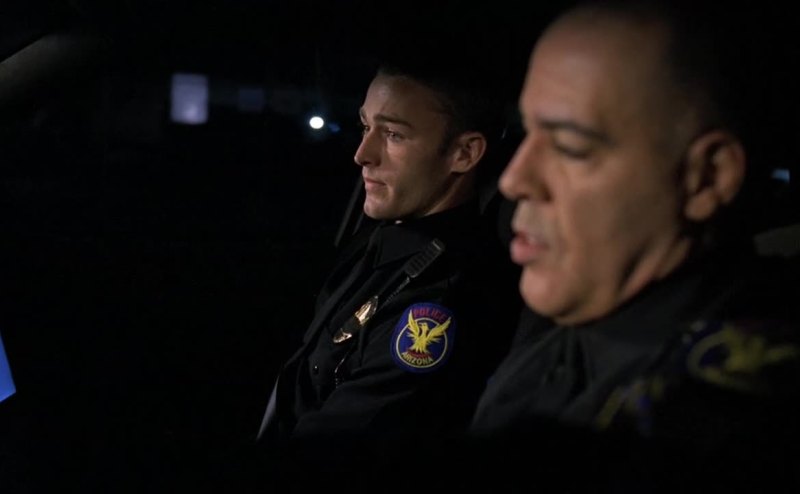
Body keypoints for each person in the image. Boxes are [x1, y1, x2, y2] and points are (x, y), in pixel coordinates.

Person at [466, 0, 800, 489]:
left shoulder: (719, 420)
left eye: (571, 148)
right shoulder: (573, 322)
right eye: (526, 134)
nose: (514, 180)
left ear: (706, 177)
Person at [252, 41, 524, 474]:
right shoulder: (383, 239)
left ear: (464, 153)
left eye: (394, 135)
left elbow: (328, 455)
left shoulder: (440, 295)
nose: (363, 154)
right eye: (365, 126)